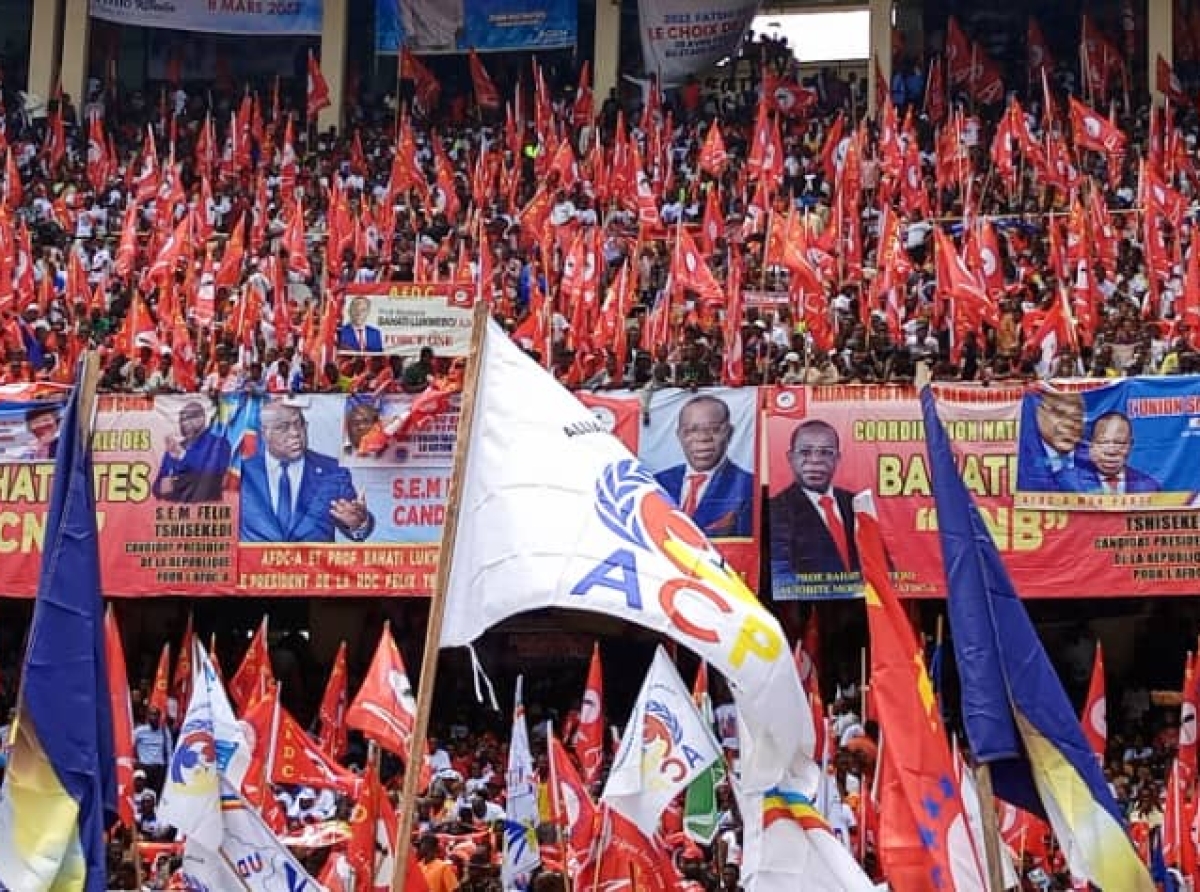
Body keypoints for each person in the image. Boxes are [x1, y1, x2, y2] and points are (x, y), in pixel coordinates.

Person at [239, 400, 374, 542]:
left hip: (313, 563)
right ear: (265, 433)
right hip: (256, 563)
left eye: (298, 424)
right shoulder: (242, 474)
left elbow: (356, 525)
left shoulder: (333, 471)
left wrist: (359, 523)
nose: (295, 433)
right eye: (283, 427)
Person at [654, 395, 755, 538]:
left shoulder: (749, 486)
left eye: (713, 429)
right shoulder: (656, 484)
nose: (702, 438)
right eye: (691, 431)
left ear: (729, 433)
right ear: (679, 435)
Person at [769, 419, 860, 577]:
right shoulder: (776, 509)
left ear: (837, 458)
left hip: (859, 597)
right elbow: (781, 569)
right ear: (790, 458)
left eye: (826, 452)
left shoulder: (855, 502)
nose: (816, 460)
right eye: (805, 452)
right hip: (805, 599)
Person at [152, 400, 232, 502]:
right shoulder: (175, 448)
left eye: (188, 418)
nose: (183, 423)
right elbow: (157, 484)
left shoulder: (219, 444)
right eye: (181, 419)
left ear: (202, 419)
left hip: (206, 511)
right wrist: (160, 488)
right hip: (176, 512)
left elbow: (210, 476)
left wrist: (182, 456)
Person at [1017, 390, 1088, 492]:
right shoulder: (1019, 456)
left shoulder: (1094, 458)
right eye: (1060, 414)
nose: (1069, 424)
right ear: (1039, 413)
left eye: (1077, 418)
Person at [1081, 411, 1160, 494]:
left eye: (1119, 443)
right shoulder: (1070, 483)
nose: (1111, 451)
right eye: (1103, 442)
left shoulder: (1149, 487)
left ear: (1130, 445)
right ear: (1091, 445)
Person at [133, 706, 173, 793]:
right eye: (151, 715)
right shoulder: (140, 731)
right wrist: (134, 761)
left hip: (159, 769)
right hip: (144, 767)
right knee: (144, 794)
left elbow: (169, 751)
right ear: (148, 717)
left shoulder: (165, 731)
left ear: (159, 717)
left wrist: (169, 768)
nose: (153, 717)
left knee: (157, 794)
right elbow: (129, 745)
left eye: (155, 715)